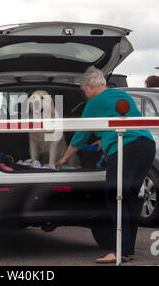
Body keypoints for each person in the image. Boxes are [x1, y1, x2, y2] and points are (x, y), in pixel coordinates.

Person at [57, 66, 156, 264]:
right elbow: (126, 120)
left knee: (115, 197)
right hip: (146, 145)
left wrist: (64, 158)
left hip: (126, 149)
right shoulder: (121, 95)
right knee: (128, 198)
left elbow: (80, 135)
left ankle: (118, 251)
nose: (85, 93)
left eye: (85, 89)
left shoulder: (94, 103)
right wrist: (105, 140)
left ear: (90, 86)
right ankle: (128, 250)